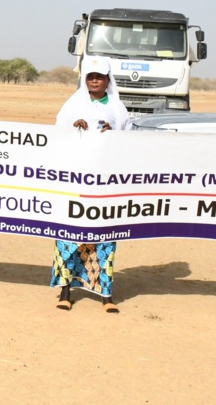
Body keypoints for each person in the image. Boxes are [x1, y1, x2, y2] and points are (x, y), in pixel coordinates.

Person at [51, 55, 132, 312]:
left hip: (105, 184)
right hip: (76, 181)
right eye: (90, 77)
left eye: (99, 77)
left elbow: (131, 140)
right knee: (69, 235)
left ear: (108, 80)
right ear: (85, 79)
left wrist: (113, 135)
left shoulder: (118, 107)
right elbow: (57, 135)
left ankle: (106, 296)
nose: (95, 81)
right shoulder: (73, 105)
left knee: (104, 237)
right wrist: (73, 130)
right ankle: (66, 292)